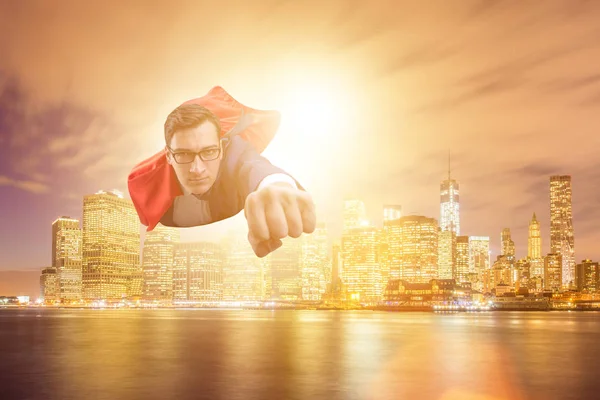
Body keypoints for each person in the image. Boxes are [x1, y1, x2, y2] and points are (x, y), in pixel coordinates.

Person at [127, 86, 316, 257]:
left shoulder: (234, 152)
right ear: (168, 155)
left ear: (221, 148)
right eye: (184, 154)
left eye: (209, 151)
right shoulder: (151, 194)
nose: (197, 169)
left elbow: (253, 165)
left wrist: (277, 184)